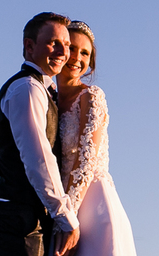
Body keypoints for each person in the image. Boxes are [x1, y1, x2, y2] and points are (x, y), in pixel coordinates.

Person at [0, 12, 82, 256]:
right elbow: (38, 158)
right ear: (29, 46)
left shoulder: (42, 89)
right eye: (54, 43)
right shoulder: (27, 88)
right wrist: (66, 217)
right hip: (17, 222)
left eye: (67, 45)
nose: (62, 52)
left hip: (27, 219)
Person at [55, 20, 137, 256]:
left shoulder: (91, 97)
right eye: (72, 48)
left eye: (85, 53)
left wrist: (67, 218)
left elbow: (85, 162)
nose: (77, 57)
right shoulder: (48, 100)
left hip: (94, 206)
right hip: (60, 203)